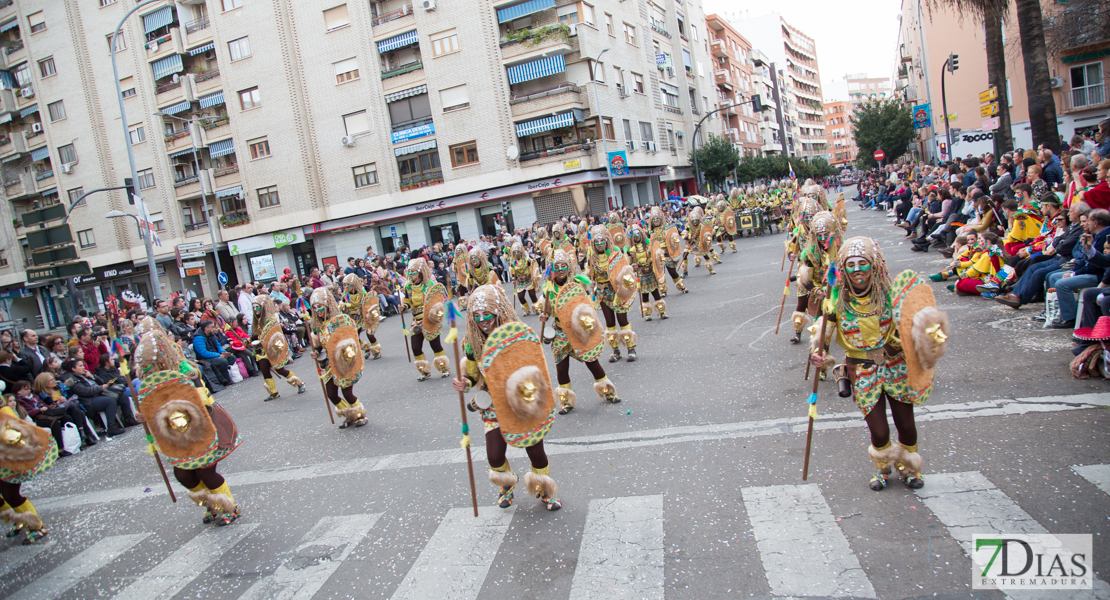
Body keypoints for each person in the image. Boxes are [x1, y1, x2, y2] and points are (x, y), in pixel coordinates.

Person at [810, 237, 947, 491]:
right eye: (851, 265)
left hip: (896, 367)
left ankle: (907, 466)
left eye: (863, 263)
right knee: (880, 431)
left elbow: (922, 325)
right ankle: (882, 466)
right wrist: (819, 355)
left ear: (874, 266)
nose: (857, 270)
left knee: (906, 425)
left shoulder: (892, 294)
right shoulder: (836, 300)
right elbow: (822, 336)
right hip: (862, 372)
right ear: (843, 269)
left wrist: (932, 339)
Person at [453, 284, 561, 511]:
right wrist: (465, 382)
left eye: (487, 315)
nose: (483, 320)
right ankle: (506, 483)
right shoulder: (472, 344)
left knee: (536, 453)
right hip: (493, 407)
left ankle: (545, 490)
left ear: (498, 312)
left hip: (522, 400)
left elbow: (534, 367)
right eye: (477, 316)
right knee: (494, 456)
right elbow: (472, 376)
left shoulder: (516, 334)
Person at [135, 329, 243, 526]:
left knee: (205, 472)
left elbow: (202, 401)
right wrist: (145, 415)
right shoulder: (151, 382)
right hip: (176, 432)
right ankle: (212, 504)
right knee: (183, 474)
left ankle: (229, 507)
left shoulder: (186, 371)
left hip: (203, 425)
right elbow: (156, 408)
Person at [539, 249, 621, 411]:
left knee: (592, 361)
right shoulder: (548, 289)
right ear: (552, 269)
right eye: (557, 267)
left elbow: (585, 307)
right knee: (561, 368)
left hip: (578, 332)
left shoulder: (575, 285)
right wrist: (544, 315)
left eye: (563, 266)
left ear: (568, 267)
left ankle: (607, 391)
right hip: (560, 333)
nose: (560, 269)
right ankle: (566, 400)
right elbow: (548, 311)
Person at [0, 395, 58, 544]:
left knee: (10, 494)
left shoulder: (4, 411)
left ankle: (36, 526)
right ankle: (18, 520)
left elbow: (13, 433)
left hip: (8, 459)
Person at [308, 288, 368, 428]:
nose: (318, 311)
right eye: (315, 308)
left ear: (328, 305)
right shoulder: (316, 326)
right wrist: (316, 352)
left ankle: (360, 415)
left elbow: (349, 340)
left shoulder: (339, 321)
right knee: (331, 395)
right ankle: (349, 415)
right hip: (329, 365)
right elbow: (318, 345)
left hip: (344, 362)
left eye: (320, 307)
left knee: (347, 393)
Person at [587, 225, 639, 362]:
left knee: (622, 320)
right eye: (596, 242)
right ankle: (615, 351)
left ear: (606, 241)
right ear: (594, 244)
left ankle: (631, 348)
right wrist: (590, 282)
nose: (599, 245)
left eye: (601, 241)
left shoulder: (615, 254)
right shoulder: (592, 258)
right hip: (603, 294)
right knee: (610, 322)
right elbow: (589, 275)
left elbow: (625, 271)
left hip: (617, 292)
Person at [402, 257, 451, 380]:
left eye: (413, 272)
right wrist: (404, 306)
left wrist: (434, 314)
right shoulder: (408, 287)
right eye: (409, 272)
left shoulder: (430, 285)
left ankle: (444, 368)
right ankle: (424, 371)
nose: (411, 275)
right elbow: (408, 302)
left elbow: (437, 302)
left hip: (429, 319)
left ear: (419, 272)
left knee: (435, 345)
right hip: (416, 321)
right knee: (415, 347)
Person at [250, 295, 306, 401]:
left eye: (257, 307)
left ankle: (300, 383)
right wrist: (249, 340)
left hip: (273, 349)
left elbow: (276, 336)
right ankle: (273, 392)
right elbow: (256, 335)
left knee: (280, 369)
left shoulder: (271, 320)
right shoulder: (257, 321)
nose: (255, 310)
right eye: (253, 308)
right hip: (262, 350)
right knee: (264, 370)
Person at [61, 358, 133, 435]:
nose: (83, 367)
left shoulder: (84, 375)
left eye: (83, 365)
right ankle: (111, 427)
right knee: (110, 401)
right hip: (88, 401)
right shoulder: (73, 379)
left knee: (122, 396)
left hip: (99, 394)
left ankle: (128, 418)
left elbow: (101, 382)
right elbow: (84, 391)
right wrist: (101, 387)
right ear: (73, 369)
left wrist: (92, 377)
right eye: (80, 366)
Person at [28, 373, 95, 449]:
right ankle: (86, 435)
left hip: (70, 408)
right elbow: (48, 407)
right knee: (76, 413)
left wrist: (65, 399)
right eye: (51, 380)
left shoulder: (60, 386)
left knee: (75, 408)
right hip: (58, 412)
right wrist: (57, 403)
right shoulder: (42, 395)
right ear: (44, 383)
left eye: (53, 379)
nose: (54, 381)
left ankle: (81, 433)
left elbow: (72, 396)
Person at [626, 225, 668, 320]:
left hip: (650, 271)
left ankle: (662, 311)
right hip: (641, 274)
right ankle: (647, 312)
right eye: (635, 236)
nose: (637, 237)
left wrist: (655, 260)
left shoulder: (647, 245)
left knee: (655, 292)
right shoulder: (630, 250)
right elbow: (627, 264)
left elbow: (655, 254)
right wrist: (634, 265)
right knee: (644, 294)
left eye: (638, 235)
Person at [342, 274, 382, 360]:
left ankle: (376, 351)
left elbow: (369, 304)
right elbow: (343, 308)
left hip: (363, 316)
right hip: (353, 318)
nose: (346, 287)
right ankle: (366, 348)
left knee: (370, 334)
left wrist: (362, 310)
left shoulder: (362, 294)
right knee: (354, 336)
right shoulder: (345, 296)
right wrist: (343, 307)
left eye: (348, 285)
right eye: (345, 285)